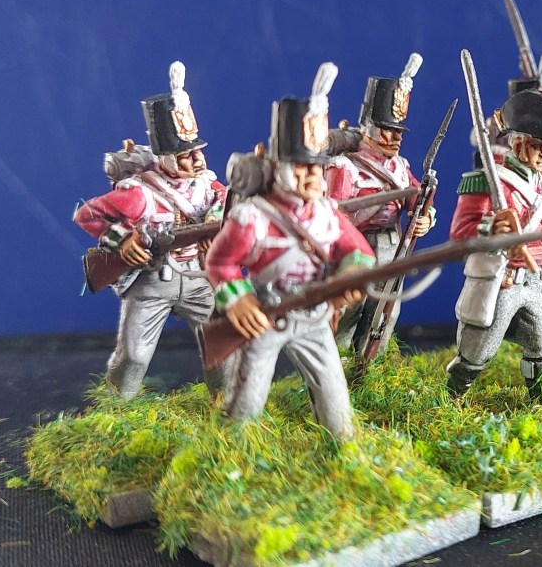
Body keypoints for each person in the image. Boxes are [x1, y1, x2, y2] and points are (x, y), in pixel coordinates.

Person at [204, 64, 374, 437]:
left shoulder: (327, 212)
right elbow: (219, 262)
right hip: (266, 315)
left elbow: (358, 250)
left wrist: (350, 275)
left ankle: (343, 453)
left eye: (317, 167)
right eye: (301, 167)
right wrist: (238, 300)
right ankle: (225, 453)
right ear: (278, 166)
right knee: (245, 404)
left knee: (338, 411)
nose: (312, 175)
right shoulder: (253, 216)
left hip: (314, 319)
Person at [74, 61, 225, 398]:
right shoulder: (140, 194)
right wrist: (122, 241)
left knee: (224, 343)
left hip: (199, 278)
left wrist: (215, 225)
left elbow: (226, 200)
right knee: (134, 356)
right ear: (164, 157)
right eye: (185, 155)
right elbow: (87, 215)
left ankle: (230, 409)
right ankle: (117, 411)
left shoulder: (207, 185)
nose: (196, 160)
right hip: (154, 280)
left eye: (197, 152)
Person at [446, 88, 542, 402]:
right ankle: (451, 396)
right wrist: (491, 227)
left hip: (536, 279)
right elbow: (461, 232)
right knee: (479, 348)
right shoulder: (487, 181)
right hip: (503, 278)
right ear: (518, 143)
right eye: (538, 146)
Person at [326, 54, 433, 353]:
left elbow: (416, 197)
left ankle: (371, 364)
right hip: (354, 247)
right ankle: (337, 364)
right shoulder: (345, 167)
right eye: (387, 129)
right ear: (368, 128)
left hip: (391, 246)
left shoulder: (400, 166)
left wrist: (425, 218)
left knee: (386, 311)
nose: (395, 137)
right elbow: (332, 215)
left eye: (398, 131)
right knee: (349, 309)